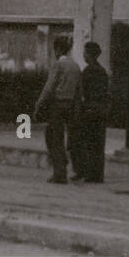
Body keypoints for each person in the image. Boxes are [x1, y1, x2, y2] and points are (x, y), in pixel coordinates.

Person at [33, 36, 82, 184]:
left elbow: (49, 87)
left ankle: (59, 172)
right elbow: (79, 91)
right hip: (70, 105)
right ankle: (63, 164)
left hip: (57, 105)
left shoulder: (58, 65)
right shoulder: (75, 66)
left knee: (53, 137)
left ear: (58, 49)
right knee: (62, 137)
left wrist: (39, 104)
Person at [71, 42, 110, 184]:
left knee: (84, 141)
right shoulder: (102, 71)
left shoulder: (87, 71)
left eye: (85, 52)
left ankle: (84, 171)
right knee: (98, 144)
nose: (84, 55)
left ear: (89, 54)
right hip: (101, 110)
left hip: (88, 109)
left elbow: (81, 91)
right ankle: (97, 174)